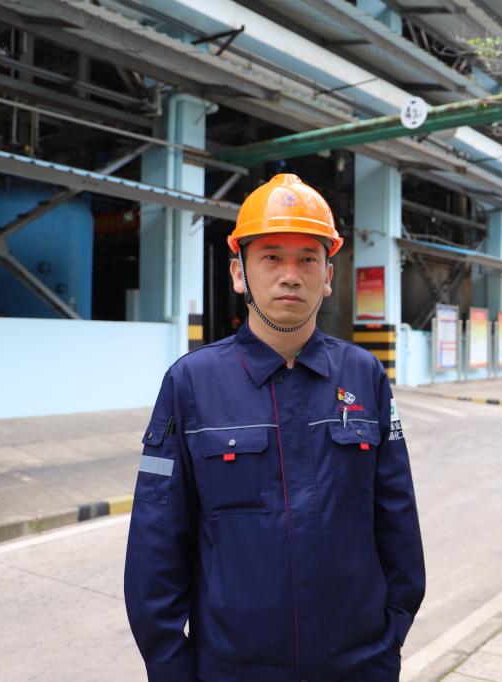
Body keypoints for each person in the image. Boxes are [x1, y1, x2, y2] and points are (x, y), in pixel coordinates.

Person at [124, 173, 426, 682]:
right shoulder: (191, 383)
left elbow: (397, 519)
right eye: (271, 257)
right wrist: (169, 664)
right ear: (238, 273)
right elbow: (157, 539)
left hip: (359, 664)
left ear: (328, 276)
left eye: (307, 259)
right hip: (234, 669)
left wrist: (389, 638)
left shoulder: (363, 375)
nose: (291, 275)